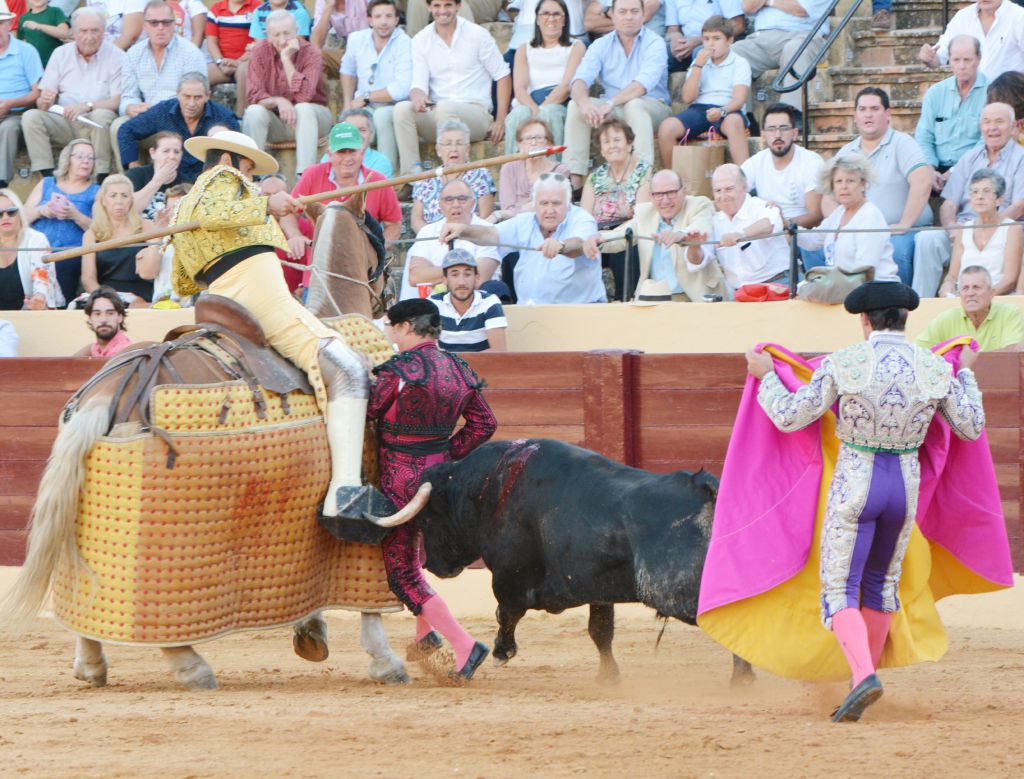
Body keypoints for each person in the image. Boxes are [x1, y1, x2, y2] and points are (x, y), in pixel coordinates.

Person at [743, 281, 986, 722]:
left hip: (857, 485)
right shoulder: (935, 368)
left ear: (865, 320)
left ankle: (863, 676)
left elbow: (791, 416)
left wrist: (766, 378)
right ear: (905, 319)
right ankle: (862, 681)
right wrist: (966, 372)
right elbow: (970, 427)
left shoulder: (846, 362)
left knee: (840, 589)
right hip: (903, 488)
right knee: (880, 584)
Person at [163, 129, 398, 522]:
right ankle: (345, 492)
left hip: (217, 296)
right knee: (347, 367)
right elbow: (219, 212)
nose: (249, 178)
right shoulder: (222, 178)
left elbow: (183, 281)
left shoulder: (183, 208)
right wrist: (266, 203)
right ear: (227, 160)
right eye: (248, 169)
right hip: (257, 291)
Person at [369, 297, 496, 680]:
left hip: (400, 481)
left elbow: (369, 412)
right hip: (439, 481)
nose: (390, 334)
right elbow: (484, 424)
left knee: (402, 574)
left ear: (407, 327)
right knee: (415, 558)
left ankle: (465, 644)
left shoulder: (399, 370)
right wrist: (444, 456)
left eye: (392, 326)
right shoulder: (458, 367)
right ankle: (425, 638)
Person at [913, 102, 1024, 297]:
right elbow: (949, 204)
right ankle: (921, 303)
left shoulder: (1021, 157)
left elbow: (1019, 205)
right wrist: (952, 228)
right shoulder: (969, 157)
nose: (992, 128)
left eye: (999, 121)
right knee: (927, 239)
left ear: (1013, 126)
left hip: (1006, 228)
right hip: (964, 229)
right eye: (987, 122)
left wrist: (986, 227)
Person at [440, 172, 603, 304]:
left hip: (578, 314)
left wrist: (561, 246)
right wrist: (464, 230)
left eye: (556, 203)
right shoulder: (525, 221)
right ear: (534, 203)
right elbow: (490, 235)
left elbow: (580, 245)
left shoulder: (582, 219)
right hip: (529, 313)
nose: (550, 210)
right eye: (544, 203)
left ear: (568, 204)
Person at [392, 0, 511, 176]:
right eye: (437, 6)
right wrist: (417, 96)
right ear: (429, 7)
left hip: (476, 114)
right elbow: (418, 85)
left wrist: (500, 120)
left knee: (445, 108)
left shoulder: (477, 34)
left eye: (448, 5)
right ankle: (412, 178)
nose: (442, 11)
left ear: (458, 6)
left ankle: (453, 174)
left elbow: (502, 75)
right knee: (401, 110)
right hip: (439, 112)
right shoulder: (421, 40)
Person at [834, 87, 934, 286]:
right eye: (862, 109)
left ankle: (900, 302)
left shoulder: (902, 143)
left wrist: (904, 224)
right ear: (855, 116)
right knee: (817, 249)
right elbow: (828, 197)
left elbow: (923, 180)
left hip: (903, 231)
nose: (868, 115)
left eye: (874, 109)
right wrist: (838, 228)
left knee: (895, 249)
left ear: (887, 114)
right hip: (860, 233)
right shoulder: (847, 152)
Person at [565, 0, 670, 189]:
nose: (629, 17)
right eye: (623, 12)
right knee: (575, 106)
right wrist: (585, 103)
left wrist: (610, 103)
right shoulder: (601, 44)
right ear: (612, 15)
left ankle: (641, 179)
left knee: (634, 104)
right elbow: (579, 80)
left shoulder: (655, 43)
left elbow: (641, 86)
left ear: (643, 15)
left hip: (652, 106)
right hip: (614, 108)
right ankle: (575, 181)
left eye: (634, 11)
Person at [583, 168, 725, 302]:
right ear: (651, 196)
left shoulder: (699, 204)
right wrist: (597, 239)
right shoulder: (645, 212)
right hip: (657, 297)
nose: (665, 200)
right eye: (658, 194)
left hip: (696, 297)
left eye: (671, 193)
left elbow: (701, 225)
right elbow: (621, 235)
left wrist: (680, 234)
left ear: (684, 191)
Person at [22, 7, 125, 179]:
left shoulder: (117, 56)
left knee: (100, 115)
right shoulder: (60, 54)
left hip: (97, 123)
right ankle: (47, 176)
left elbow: (116, 101)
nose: (89, 37)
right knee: (31, 117)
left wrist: (86, 106)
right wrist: (45, 100)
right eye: (83, 31)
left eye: (95, 31)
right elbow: (42, 104)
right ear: (73, 33)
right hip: (65, 121)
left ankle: (100, 176)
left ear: (104, 32)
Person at [112, 0, 207, 165]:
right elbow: (128, 95)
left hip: (179, 119)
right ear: (145, 26)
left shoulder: (191, 53)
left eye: (166, 22)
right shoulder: (134, 54)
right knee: (118, 126)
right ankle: (133, 176)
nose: (160, 27)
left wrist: (156, 110)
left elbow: (196, 99)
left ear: (174, 24)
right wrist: (130, 107)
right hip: (146, 118)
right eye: (154, 23)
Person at [242, 9, 332, 175]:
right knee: (254, 111)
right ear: (268, 35)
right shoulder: (259, 52)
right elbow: (253, 94)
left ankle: (305, 175)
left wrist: (286, 59)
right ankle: (254, 176)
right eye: (276, 35)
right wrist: (278, 101)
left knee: (302, 108)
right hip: (278, 121)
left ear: (296, 31)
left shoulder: (311, 53)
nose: (282, 40)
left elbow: (304, 96)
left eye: (287, 33)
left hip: (314, 120)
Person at [285, 121, 402, 246]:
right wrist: (295, 236)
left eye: (352, 151)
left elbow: (394, 224)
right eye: (341, 152)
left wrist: (378, 251)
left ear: (362, 152)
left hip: (363, 256)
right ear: (330, 154)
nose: (348, 158)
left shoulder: (378, 182)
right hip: (319, 255)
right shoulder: (312, 175)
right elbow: (287, 212)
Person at [658, 15, 751, 168]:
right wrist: (698, 66)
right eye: (706, 39)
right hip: (700, 109)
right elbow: (687, 98)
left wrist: (721, 111)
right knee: (667, 127)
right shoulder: (698, 61)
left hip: (728, 110)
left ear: (729, 40)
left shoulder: (740, 63)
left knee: (734, 122)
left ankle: (746, 175)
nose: (710, 44)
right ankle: (672, 177)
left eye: (716, 38)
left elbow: (739, 100)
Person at [741, 103, 825, 270]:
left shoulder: (811, 162)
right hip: (768, 230)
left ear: (794, 133)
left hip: (802, 235)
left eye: (783, 128)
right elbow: (735, 188)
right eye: (771, 129)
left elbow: (816, 216)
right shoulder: (756, 162)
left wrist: (784, 224)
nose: (777, 135)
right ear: (763, 135)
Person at [799, 154, 900, 286]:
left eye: (850, 181)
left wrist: (829, 287)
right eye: (838, 181)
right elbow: (813, 240)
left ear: (863, 184)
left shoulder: (870, 215)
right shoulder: (839, 212)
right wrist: (786, 226)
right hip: (844, 286)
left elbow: (864, 269)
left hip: (875, 288)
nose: (844, 186)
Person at [687, 163, 790, 293]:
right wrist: (694, 247)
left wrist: (740, 234)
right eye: (718, 191)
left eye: (729, 189)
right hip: (741, 293)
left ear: (744, 187)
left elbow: (768, 224)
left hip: (778, 285)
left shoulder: (762, 207)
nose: (723, 196)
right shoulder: (715, 221)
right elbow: (696, 263)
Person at [580, 117, 651, 301]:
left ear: (629, 144)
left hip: (628, 232)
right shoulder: (595, 177)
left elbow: (642, 216)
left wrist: (614, 234)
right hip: (598, 234)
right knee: (579, 252)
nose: (612, 145)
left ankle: (625, 301)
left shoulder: (644, 172)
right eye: (606, 141)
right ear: (601, 150)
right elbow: (584, 216)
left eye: (617, 140)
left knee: (626, 250)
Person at [117, 72, 238, 180]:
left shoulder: (224, 117)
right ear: (178, 94)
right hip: (169, 180)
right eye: (187, 96)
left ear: (208, 96)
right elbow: (126, 130)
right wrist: (134, 167)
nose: (191, 103)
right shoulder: (163, 111)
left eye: (197, 97)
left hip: (207, 181)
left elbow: (239, 150)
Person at [503, 0, 585, 155]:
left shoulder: (576, 47)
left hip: (560, 105)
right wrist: (536, 110)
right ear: (537, 19)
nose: (551, 19)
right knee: (519, 114)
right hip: (530, 103)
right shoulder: (524, 49)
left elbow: (566, 86)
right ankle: (513, 165)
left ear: (564, 20)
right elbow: (520, 90)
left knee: (550, 113)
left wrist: (541, 112)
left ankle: (553, 167)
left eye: (557, 14)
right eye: (545, 14)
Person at [23, 138, 99, 303]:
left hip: (70, 254)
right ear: (67, 159)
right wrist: (42, 211)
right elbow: (22, 217)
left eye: (91, 158)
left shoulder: (96, 191)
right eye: (80, 156)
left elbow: (101, 230)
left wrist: (76, 215)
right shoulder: (47, 183)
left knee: (61, 265)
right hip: (38, 250)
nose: (86, 161)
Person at [400, 178, 501, 301]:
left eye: (462, 199)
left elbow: (480, 277)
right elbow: (415, 277)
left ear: (473, 202)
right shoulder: (427, 231)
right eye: (449, 200)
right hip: (435, 305)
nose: (456, 204)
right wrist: (465, 271)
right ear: (440, 204)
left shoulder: (486, 231)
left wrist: (434, 273)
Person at [339, 0, 409, 176]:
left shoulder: (404, 42)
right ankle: (350, 178)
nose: (383, 22)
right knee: (350, 123)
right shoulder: (356, 39)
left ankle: (385, 178)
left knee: (382, 116)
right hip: (364, 107)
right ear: (369, 20)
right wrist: (347, 104)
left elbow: (401, 88)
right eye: (378, 16)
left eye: (388, 16)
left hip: (392, 106)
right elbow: (347, 71)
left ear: (396, 20)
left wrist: (367, 97)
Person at [729, 0, 832, 110]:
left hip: (802, 35)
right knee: (731, 53)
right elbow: (748, 7)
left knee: (794, 49)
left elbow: (800, 10)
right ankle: (733, 114)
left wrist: (768, 2)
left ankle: (791, 113)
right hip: (762, 37)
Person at [915, 35, 988, 188]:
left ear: (978, 58)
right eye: (956, 60)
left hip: (975, 169)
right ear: (949, 60)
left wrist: (955, 171)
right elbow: (924, 136)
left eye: (967, 60)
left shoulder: (992, 92)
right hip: (935, 167)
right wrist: (930, 169)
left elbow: (986, 142)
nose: (962, 66)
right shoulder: (935, 93)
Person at [937, 170, 1022, 297]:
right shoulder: (964, 229)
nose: (979, 197)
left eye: (986, 191)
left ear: (999, 199)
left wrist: (980, 297)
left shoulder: (1011, 228)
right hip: (965, 298)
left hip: (997, 297)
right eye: (975, 192)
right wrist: (947, 285)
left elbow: (1010, 281)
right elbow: (952, 276)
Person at [409, 119, 495, 234]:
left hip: (470, 239)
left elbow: (485, 218)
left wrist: (464, 235)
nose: (454, 149)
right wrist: (435, 238)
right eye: (448, 144)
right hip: (433, 240)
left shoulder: (481, 175)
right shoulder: (425, 179)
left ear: (467, 149)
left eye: (459, 143)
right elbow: (416, 220)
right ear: (438, 150)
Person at [80, 174, 153, 304]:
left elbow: (155, 269)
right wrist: (110, 300)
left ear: (131, 200)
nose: (119, 201)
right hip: (106, 297)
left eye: (124, 196)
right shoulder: (91, 234)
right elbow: (88, 279)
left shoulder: (146, 226)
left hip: (143, 296)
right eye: (113, 196)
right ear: (103, 201)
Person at [917, 265, 1024, 351]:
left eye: (976, 287)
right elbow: (918, 350)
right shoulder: (946, 319)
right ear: (959, 294)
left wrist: (964, 360)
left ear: (991, 293)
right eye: (965, 288)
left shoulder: (1009, 314)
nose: (970, 293)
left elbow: (1013, 351)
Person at [919, 0, 1024, 82]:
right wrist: (928, 57)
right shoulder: (963, 17)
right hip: (970, 96)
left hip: (1010, 96)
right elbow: (940, 56)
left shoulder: (1019, 17)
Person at [0, 4, 43, 189]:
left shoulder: (26, 51)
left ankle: (2, 183)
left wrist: (10, 104)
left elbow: (38, 92)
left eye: (0, 23)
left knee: (8, 128)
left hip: (18, 113)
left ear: (9, 24)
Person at [432, 248, 508, 352]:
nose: (461, 282)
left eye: (467, 274)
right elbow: (426, 350)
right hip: (446, 363)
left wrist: (455, 360)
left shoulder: (489, 302)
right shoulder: (433, 304)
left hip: (481, 364)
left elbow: (499, 351)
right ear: (445, 280)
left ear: (476, 278)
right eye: (454, 275)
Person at [495, 118, 570, 220]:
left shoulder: (560, 171)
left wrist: (515, 211)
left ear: (549, 144)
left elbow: (547, 206)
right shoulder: (508, 169)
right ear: (519, 144)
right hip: (515, 224)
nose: (534, 143)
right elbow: (507, 209)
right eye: (528, 138)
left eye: (539, 138)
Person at [0, 187, 59, 310]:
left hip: (30, 314)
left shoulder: (36, 239)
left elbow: (42, 276)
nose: (5, 217)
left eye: (11, 211)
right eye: (0, 213)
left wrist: (39, 297)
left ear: (20, 213)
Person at [204, 0, 260, 117]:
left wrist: (237, 62)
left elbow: (259, 42)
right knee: (201, 74)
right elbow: (211, 42)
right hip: (223, 64)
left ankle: (241, 117)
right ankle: (205, 117)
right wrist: (220, 62)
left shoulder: (257, 7)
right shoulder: (216, 9)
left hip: (246, 62)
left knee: (243, 71)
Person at [260, 172, 311, 294]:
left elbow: (312, 271)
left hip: (293, 299)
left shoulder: (305, 227)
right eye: (267, 195)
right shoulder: (250, 225)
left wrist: (299, 293)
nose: (273, 200)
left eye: (278, 195)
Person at [665, 0, 744, 73]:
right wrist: (675, 38)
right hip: (686, 43)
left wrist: (702, 40)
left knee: (700, 52)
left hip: (716, 40)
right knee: (664, 50)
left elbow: (738, 25)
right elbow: (672, 28)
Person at [125, 130, 189, 218]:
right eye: (166, 151)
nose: (172, 156)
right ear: (153, 153)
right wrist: (158, 180)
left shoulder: (186, 182)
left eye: (177, 152)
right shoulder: (136, 174)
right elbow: (127, 211)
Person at [310, 0, 367, 82]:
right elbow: (316, 44)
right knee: (315, 57)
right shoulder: (323, 2)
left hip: (371, 51)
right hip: (348, 55)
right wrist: (328, 7)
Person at [330, 107, 394, 178]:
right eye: (350, 130)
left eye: (362, 130)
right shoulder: (328, 158)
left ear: (371, 134)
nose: (357, 135)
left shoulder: (381, 162)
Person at [71, 285, 134, 357]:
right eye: (97, 314)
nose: (103, 320)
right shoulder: (95, 348)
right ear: (90, 318)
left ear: (120, 317)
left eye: (110, 313)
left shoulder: (125, 351)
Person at [15, 0, 70, 68]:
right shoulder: (23, 18)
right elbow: (22, 43)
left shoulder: (55, 11)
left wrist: (39, 26)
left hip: (54, 64)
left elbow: (65, 33)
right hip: (32, 65)